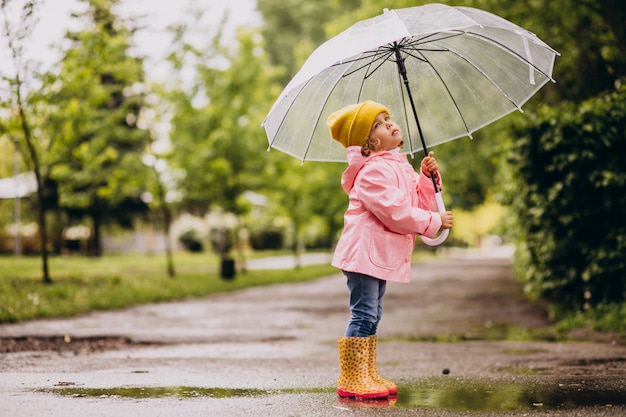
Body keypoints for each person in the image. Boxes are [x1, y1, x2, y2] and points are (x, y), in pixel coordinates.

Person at [327, 100, 453, 399]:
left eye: (389, 119)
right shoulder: (371, 173)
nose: (391, 124)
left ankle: (366, 372)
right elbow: (395, 211)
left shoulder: (400, 166)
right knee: (364, 314)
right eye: (381, 124)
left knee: (374, 313)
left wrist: (425, 177)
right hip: (363, 254)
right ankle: (352, 378)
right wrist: (434, 221)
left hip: (377, 254)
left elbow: (418, 204)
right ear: (368, 144)